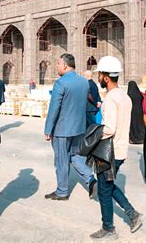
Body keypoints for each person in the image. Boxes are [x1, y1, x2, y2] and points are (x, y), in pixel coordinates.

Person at [90, 56, 143, 240]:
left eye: (99, 75)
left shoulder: (111, 98)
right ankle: (133, 214)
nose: (98, 78)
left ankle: (108, 228)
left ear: (105, 77)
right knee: (108, 185)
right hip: (120, 150)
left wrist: (93, 136)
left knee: (104, 191)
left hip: (109, 151)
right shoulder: (125, 96)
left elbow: (109, 128)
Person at [44, 53, 97, 200]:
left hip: (62, 129)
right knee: (74, 155)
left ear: (65, 65)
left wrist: (48, 129)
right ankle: (91, 179)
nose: (57, 66)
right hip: (79, 128)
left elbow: (54, 108)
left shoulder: (61, 83)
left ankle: (62, 191)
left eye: (58, 64)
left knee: (61, 160)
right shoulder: (83, 82)